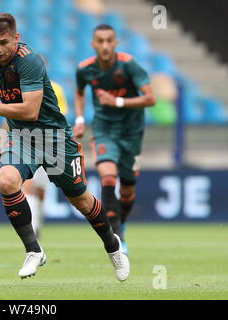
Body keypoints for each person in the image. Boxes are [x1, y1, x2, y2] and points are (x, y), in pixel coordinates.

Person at [0, 13, 129, 281]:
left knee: (81, 201)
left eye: (3, 42)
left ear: (16, 37)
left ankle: (112, 245)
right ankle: (33, 250)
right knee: (7, 180)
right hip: (22, 137)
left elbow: (30, 109)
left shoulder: (30, 62)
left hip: (55, 139)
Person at [73, 24, 156, 255]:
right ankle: (116, 238)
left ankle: (122, 225)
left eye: (109, 40)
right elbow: (79, 92)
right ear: (93, 44)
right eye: (100, 41)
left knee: (127, 188)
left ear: (116, 43)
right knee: (108, 178)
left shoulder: (129, 65)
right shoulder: (85, 69)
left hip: (132, 133)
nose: (105, 45)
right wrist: (80, 118)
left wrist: (117, 102)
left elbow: (150, 98)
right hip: (104, 130)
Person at [22, 78, 69, 239]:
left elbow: (60, 115)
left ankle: (38, 223)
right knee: (28, 185)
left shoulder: (55, 88)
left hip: (48, 143)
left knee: (41, 191)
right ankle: (32, 229)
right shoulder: (18, 87)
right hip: (25, 142)